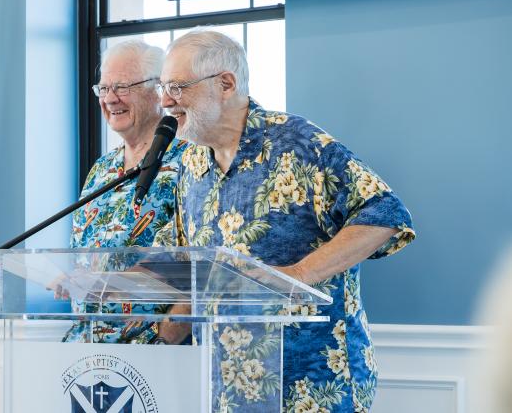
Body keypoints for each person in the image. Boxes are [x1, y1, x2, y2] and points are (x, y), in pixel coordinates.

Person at [153, 30, 415, 412]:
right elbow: (187, 260)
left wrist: (299, 274)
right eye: (163, 87)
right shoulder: (189, 163)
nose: (165, 101)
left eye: (177, 87)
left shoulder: (298, 143)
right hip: (225, 387)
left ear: (225, 84)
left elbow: (385, 214)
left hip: (314, 384)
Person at [62, 40, 187, 344]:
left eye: (121, 87)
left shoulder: (188, 161)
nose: (110, 99)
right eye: (103, 89)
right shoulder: (102, 168)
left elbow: (198, 264)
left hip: (153, 350)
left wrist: (168, 335)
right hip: (87, 347)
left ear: (158, 89)